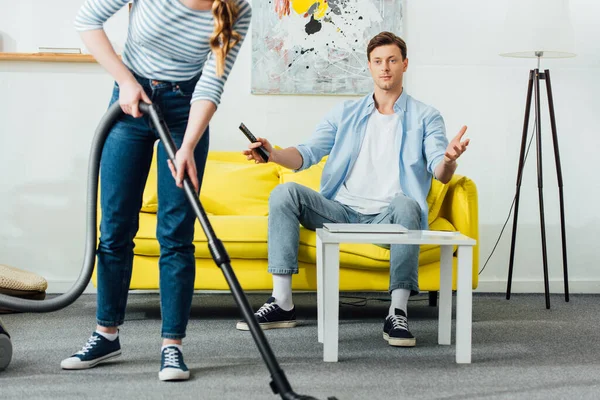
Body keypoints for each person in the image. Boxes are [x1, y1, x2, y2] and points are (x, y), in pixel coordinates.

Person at [237, 32, 470, 348]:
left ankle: (397, 312)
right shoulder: (344, 113)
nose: (385, 68)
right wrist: (273, 153)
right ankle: (282, 302)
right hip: (341, 211)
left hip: (390, 216)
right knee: (285, 192)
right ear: (370, 66)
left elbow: (439, 172)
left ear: (404, 64)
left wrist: (449, 159)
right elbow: (306, 153)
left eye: (391, 60)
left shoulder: (426, 116)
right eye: (378, 61)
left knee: (407, 205)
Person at [60, 0, 252, 381]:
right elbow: (87, 21)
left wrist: (187, 147)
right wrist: (127, 82)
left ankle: (172, 346)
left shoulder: (237, 6)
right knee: (115, 226)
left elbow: (213, 82)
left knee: (177, 233)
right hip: (129, 103)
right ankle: (106, 334)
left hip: (187, 110)